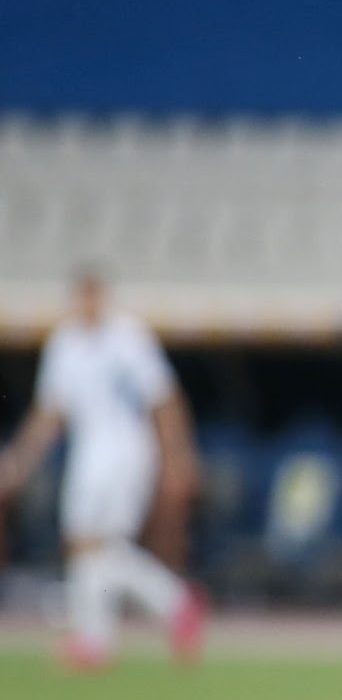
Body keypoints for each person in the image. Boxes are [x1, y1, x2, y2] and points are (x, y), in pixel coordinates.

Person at [0, 268, 206, 669]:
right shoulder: (65, 343)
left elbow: (163, 400)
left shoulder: (128, 338)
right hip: (87, 453)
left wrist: (177, 457)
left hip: (126, 451)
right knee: (88, 545)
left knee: (96, 543)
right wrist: (19, 461)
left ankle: (113, 629)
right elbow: (49, 412)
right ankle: (156, 612)